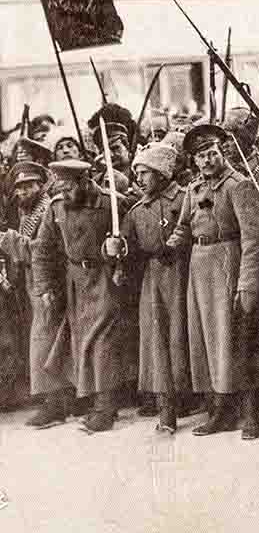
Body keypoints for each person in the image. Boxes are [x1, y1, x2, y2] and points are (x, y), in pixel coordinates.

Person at [166, 123, 259, 439]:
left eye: (211, 153)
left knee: (239, 338)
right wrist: (176, 237)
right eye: (200, 156)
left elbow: (254, 238)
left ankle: (250, 414)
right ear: (194, 161)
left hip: (229, 261)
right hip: (200, 268)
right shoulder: (193, 189)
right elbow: (184, 226)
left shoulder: (238, 186)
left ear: (222, 151)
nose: (207, 160)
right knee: (208, 342)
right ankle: (220, 410)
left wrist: (247, 282)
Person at [32, 159, 132, 433]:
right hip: (73, 280)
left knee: (103, 342)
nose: (64, 194)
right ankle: (77, 402)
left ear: (86, 180)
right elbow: (43, 250)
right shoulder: (56, 208)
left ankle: (105, 408)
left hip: (105, 278)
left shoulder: (113, 204)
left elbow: (132, 240)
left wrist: (119, 249)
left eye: (68, 188)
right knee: (77, 342)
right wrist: (45, 286)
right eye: (60, 189)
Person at [115, 144, 190, 434]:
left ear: (161, 173)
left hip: (184, 276)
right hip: (155, 280)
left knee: (186, 338)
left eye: (145, 173)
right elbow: (126, 247)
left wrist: (183, 238)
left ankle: (208, 402)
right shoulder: (136, 211)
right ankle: (166, 410)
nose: (140, 179)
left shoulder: (184, 198)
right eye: (136, 173)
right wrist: (116, 249)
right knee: (157, 342)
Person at [0, 161, 70, 424]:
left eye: (29, 186)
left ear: (41, 186)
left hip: (48, 283)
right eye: (19, 188)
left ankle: (55, 403)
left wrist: (7, 240)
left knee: (47, 341)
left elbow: (43, 251)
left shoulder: (48, 211)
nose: (23, 192)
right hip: (31, 285)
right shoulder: (25, 213)